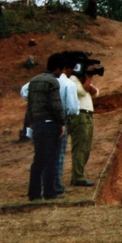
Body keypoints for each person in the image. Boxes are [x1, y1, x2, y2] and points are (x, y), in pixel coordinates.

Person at [24, 55, 67, 201]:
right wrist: (62, 123)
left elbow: (29, 104)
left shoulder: (34, 81)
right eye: (61, 70)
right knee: (51, 159)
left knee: (38, 159)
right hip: (50, 124)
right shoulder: (52, 82)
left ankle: (33, 193)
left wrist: (30, 121)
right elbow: (56, 104)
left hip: (37, 124)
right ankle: (49, 192)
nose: (62, 73)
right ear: (58, 68)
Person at [69, 62, 100, 187]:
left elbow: (96, 93)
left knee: (86, 147)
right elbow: (81, 92)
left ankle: (78, 175)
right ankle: (77, 177)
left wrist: (88, 80)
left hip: (87, 114)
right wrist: (89, 78)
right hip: (80, 114)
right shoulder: (72, 80)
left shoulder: (82, 81)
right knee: (80, 147)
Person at [55, 57, 80, 194]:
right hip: (61, 119)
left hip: (44, 118)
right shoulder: (68, 84)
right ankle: (56, 184)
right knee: (59, 152)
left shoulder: (43, 80)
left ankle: (43, 182)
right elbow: (73, 108)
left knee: (44, 153)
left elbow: (25, 91)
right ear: (67, 69)